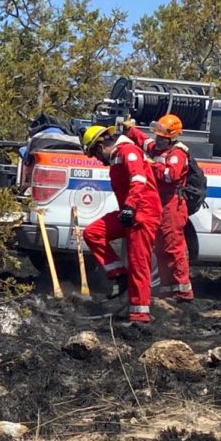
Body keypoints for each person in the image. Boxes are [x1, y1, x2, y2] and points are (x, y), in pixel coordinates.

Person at [80, 125, 163, 324]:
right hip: (130, 212)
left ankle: (139, 315)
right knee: (93, 233)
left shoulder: (128, 151)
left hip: (142, 213)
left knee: (138, 264)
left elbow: (138, 179)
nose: (99, 161)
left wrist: (130, 207)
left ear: (100, 147)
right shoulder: (119, 154)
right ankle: (119, 275)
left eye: (95, 155)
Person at [124, 114, 194, 302]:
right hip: (160, 203)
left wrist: (149, 165)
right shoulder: (156, 148)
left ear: (172, 138)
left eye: (162, 137)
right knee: (161, 248)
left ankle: (183, 292)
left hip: (173, 204)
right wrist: (130, 130)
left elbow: (170, 176)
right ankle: (167, 289)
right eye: (158, 136)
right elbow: (144, 141)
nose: (158, 139)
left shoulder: (177, 154)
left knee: (174, 247)